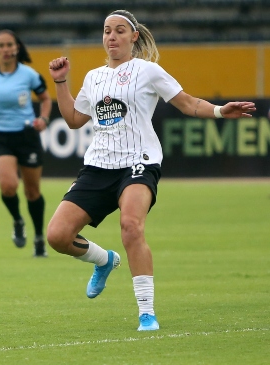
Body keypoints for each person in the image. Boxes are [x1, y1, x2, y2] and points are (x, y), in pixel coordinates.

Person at [46, 9, 256, 331]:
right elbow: (74, 120)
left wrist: (218, 111)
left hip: (138, 161)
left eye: (119, 31)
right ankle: (104, 261)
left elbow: (187, 103)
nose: (111, 36)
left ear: (134, 37)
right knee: (58, 236)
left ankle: (146, 312)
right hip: (98, 165)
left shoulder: (148, 70)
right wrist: (61, 82)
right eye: (106, 31)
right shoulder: (93, 77)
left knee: (131, 225)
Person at [0, 29, 52, 257]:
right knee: (8, 186)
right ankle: (18, 220)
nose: (6, 49)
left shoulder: (29, 75)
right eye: (1, 45)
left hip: (27, 136)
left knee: (32, 191)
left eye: (10, 45)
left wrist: (44, 119)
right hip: (0, 137)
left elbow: (45, 99)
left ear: (17, 48)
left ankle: (38, 238)